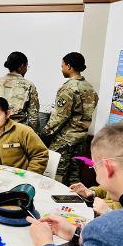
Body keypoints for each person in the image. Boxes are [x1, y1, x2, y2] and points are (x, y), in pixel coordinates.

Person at [41, 52, 98, 185]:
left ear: (69, 66)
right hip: (81, 139)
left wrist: (44, 134)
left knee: (55, 175)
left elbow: (60, 117)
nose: (62, 69)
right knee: (74, 176)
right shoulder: (90, 88)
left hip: (64, 141)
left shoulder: (68, 88)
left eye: (62, 66)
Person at [0, 97, 48, 174]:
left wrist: (29, 176)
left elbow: (40, 154)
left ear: (7, 114)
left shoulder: (23, 131)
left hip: (21, 180)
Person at [0, 52, 40, 132]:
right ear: (22, 66)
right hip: (18, 132)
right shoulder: (28, 86)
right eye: (26, 66)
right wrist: (32, 135)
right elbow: (33, 117)